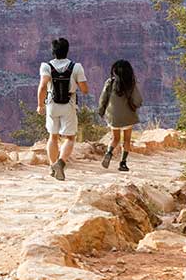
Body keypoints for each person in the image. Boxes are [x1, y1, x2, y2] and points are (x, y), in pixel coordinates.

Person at [37, 37, 88, 181]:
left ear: (53, 52)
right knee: (70, 138)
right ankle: (61, 162)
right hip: (69, 105)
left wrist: (40, 104)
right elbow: (84, 89)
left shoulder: (46, 66)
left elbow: (42, 87)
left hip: (52, 104)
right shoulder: (76, 67)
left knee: (53, 136)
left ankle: (52, 166)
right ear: (67, 50)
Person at [98, 59, 143, 172]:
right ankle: (123, 163)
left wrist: (102, 110)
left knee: (115, 138)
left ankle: (109, 153)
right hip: (128, 116)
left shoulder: (110, 82)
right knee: (127, 140)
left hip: (113, 116)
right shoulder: (131, 84)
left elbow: (103, 98)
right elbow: (138, 100)